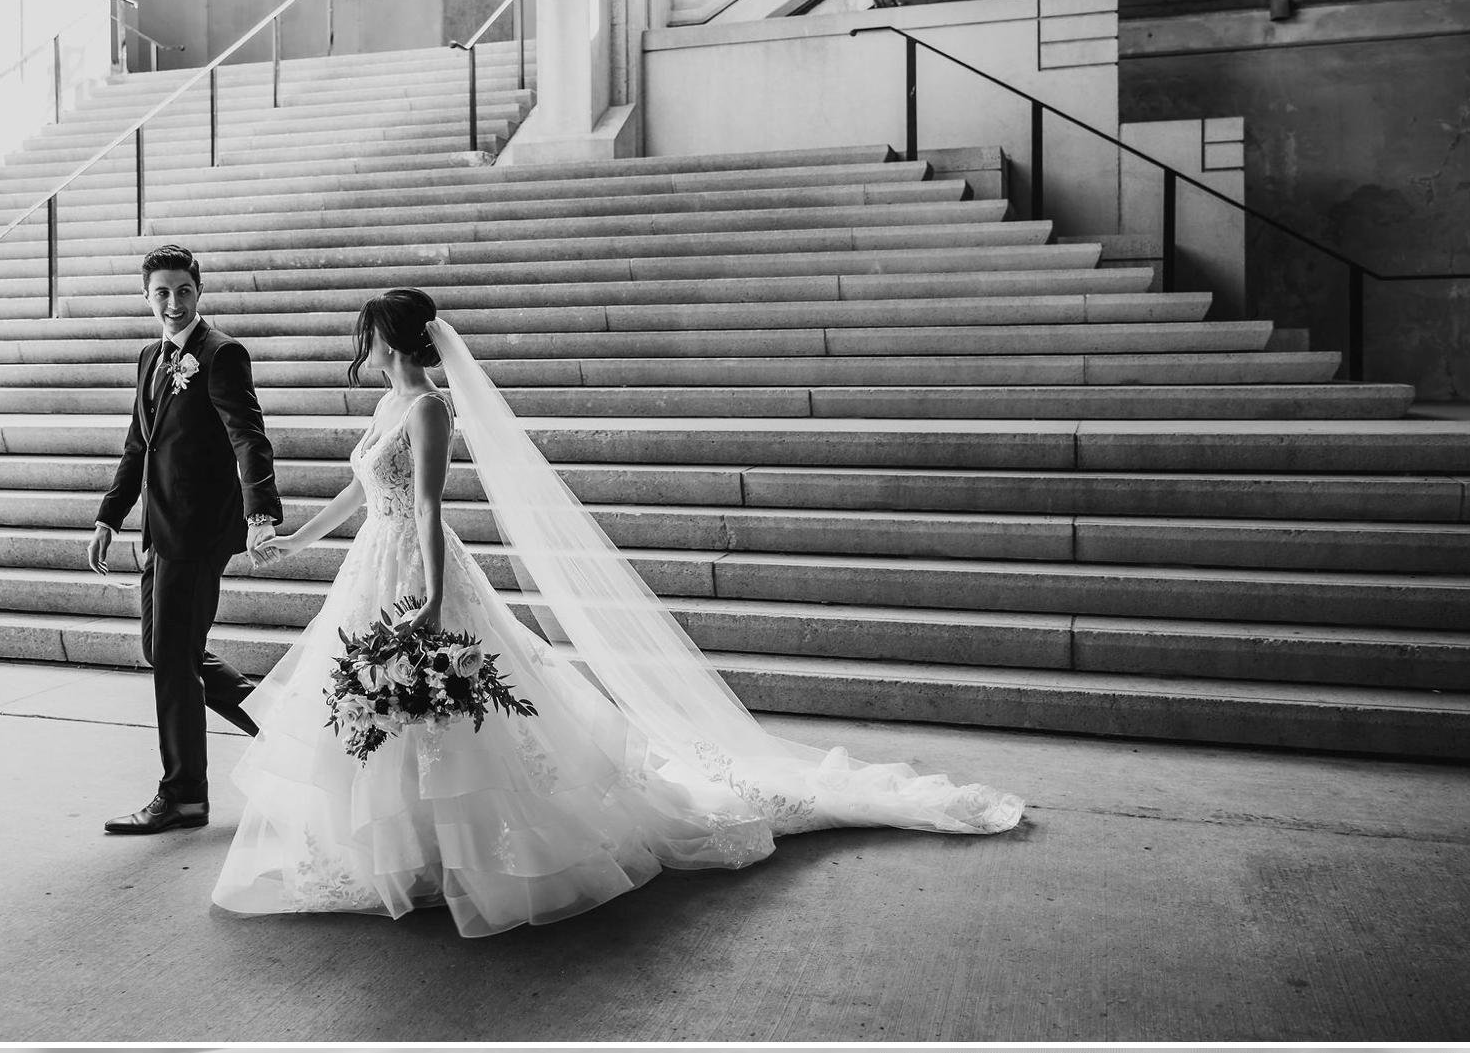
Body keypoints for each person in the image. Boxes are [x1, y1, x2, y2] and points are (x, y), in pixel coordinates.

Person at [211, 287, 1022, 937]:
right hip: (368, 564)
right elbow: (361, 491)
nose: (369, 345)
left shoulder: (426, 409)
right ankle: (409, 854)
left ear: (390, 338)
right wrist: (294, 540)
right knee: (388, 715)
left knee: (446, 714)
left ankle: (461, 857)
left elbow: (425, 504)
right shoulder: (388, 408)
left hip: (414, 566)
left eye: (372, 333)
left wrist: (427, 592)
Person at [88, 243, 281, 837]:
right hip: (158, 527)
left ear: (200, 292)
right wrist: (110, 516)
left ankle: (184, 797)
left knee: (172, 656)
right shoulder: (150, 355)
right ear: (147, 297)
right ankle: (283, 726)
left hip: (199, 531)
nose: (173, 303)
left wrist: (260, 511)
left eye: (183, 292)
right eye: (161, 294)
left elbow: (248, 434)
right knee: (168, 649)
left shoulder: (221, 354)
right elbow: (137, 445)